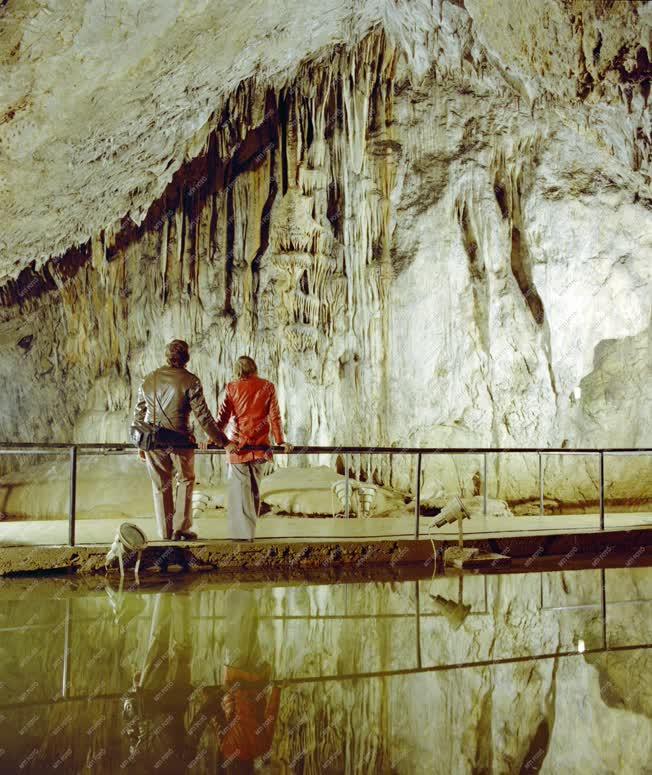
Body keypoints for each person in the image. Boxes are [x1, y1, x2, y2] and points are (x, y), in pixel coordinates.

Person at [131, 339, 235, 541]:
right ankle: (181, 529)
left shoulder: (148, 380)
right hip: (180, 440)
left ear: (167, 357)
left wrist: (140, 445)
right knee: (185, 481)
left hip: (153, 441)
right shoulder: (191, 381)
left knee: (161, 486)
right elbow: (203, 416)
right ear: (186, 358)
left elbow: (138, 416)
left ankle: (165, 533)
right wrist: (224, 442)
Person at [212, 356, 291, 541]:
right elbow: (275, 417)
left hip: (238, 447)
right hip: (261, 446)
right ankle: (249, 531)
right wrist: (280, 441)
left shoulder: (232, 387)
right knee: (254, 491)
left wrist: (213, 438)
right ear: (255, 368)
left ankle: (243, 534)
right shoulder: (268, 386)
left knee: (241, 491)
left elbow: (223, 417)